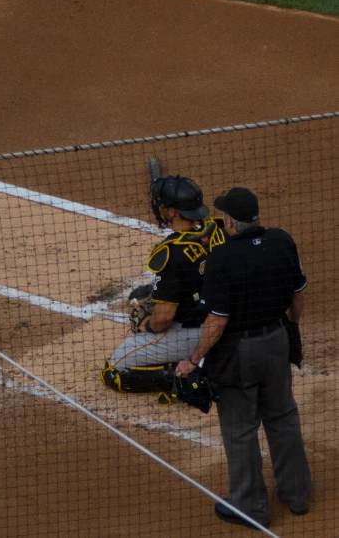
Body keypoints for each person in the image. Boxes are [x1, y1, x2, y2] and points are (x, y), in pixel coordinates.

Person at [177, 187, 311, 529]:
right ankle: (297, 494)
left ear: (229, 222)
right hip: (277, 341)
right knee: (283, 417)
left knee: (240, 430)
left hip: (239, 354)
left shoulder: (221, 259)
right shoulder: (282, 241)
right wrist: (291, 328)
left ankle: (251, 508)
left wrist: (193, 359)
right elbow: (298, 295)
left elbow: (217, 321)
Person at [100, 176, 225, 394]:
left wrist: (146, 325)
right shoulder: (215, 229)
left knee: (114, 371)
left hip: (194, 333)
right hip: (224, 318)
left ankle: (186, 376)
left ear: (173, 212)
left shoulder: (171, 253)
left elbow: (164, 318)